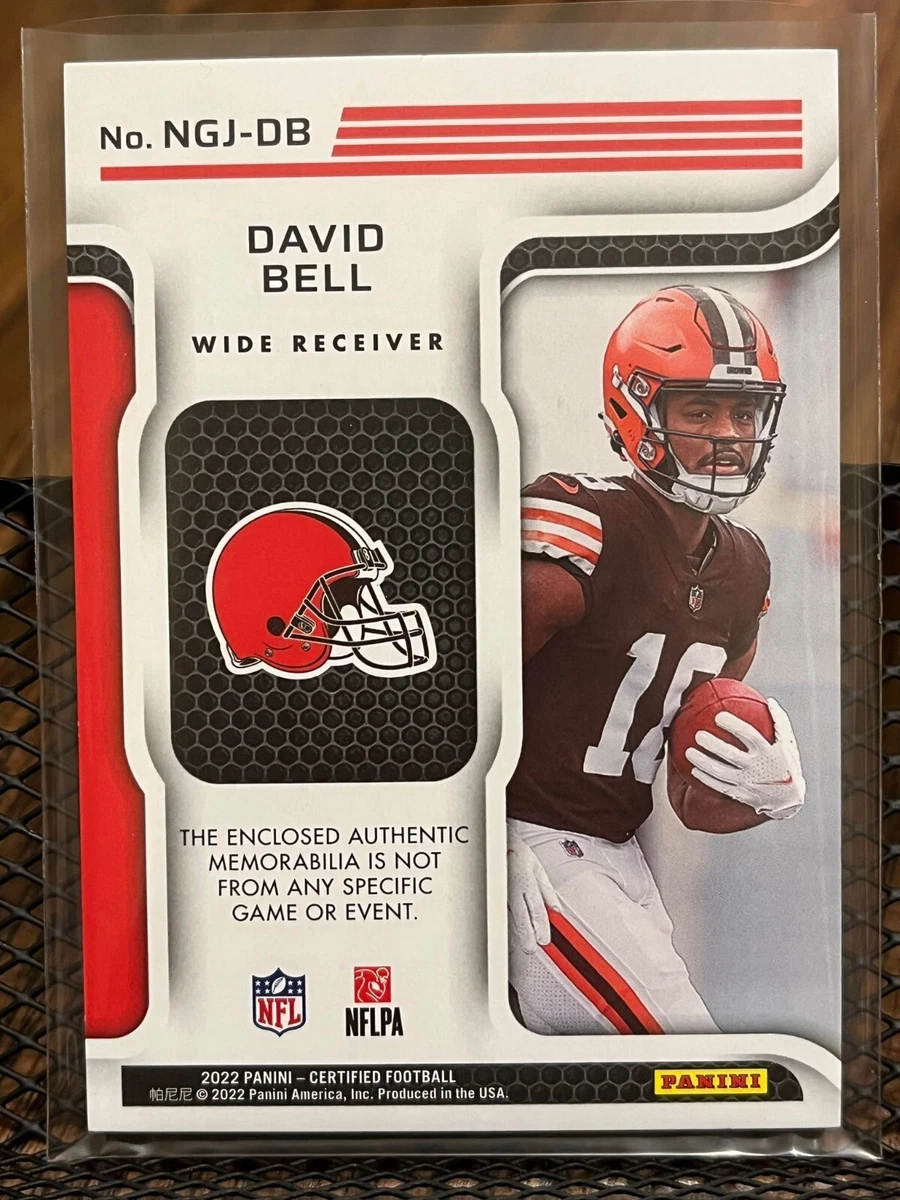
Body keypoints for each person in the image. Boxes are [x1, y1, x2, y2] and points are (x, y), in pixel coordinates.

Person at [507, 284, 805, 1036]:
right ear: (635, 411)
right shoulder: (584, 527)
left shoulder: (744, 568)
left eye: (744, 413)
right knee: (682, 1056)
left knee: (642, 1067)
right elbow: (446, 694)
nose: (728, 435)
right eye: (699, 412)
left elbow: (690, 774)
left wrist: (762, 779)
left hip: (619, 857)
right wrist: (469, 838)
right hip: (531, 848)